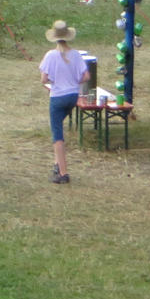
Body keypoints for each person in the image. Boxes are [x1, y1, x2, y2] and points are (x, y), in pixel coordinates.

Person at [39, 19, 85, 184]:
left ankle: (63, 173)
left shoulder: (50, 56)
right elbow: (86, 76)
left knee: (57, 134)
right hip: (72, 96)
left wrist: (52, 82)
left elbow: (44, 79)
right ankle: (57, 163)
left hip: (57, 97)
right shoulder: (76, 54)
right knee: (59, 124)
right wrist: (73, 82)